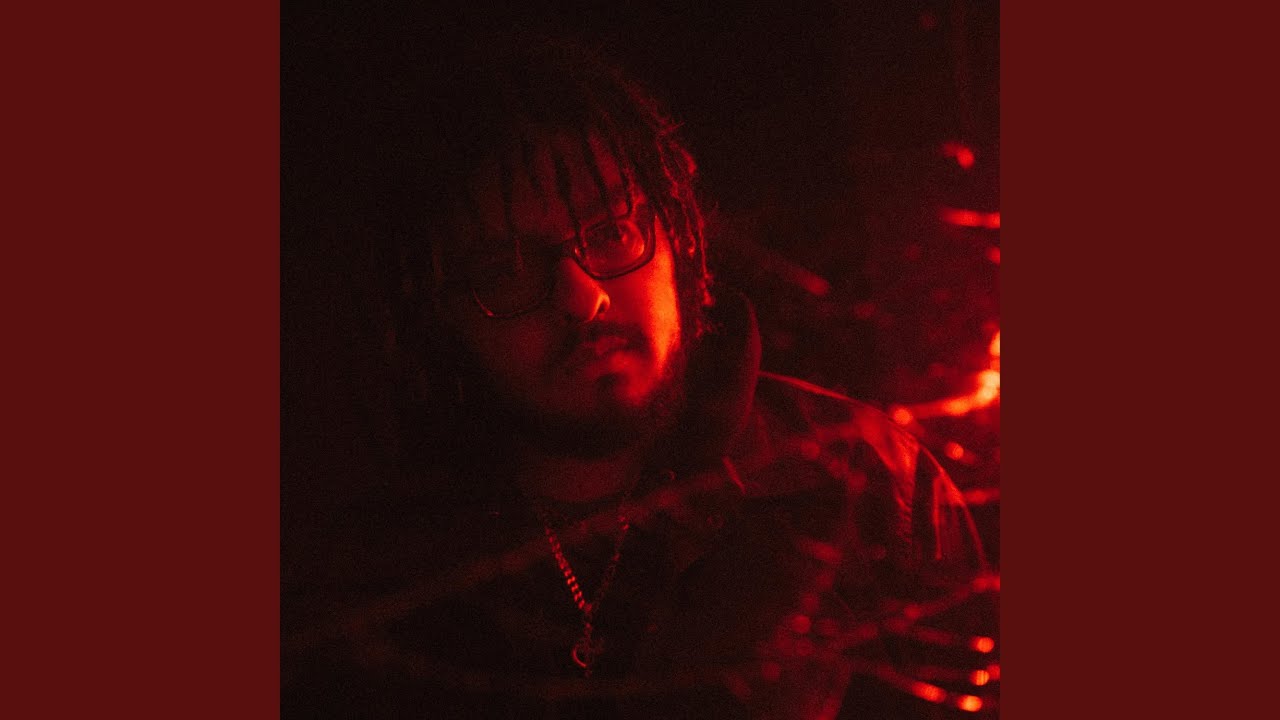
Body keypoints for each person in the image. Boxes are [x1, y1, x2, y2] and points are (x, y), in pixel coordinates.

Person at [282, 32, 990, 719]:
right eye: (506, 270)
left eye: (610, 232)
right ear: (442, 318)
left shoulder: (862, 480)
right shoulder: (377, 588)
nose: (582, 298)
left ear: (678, 236)